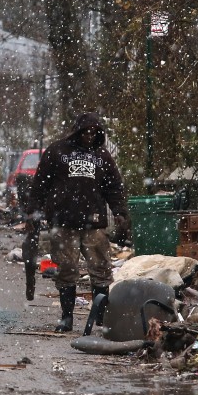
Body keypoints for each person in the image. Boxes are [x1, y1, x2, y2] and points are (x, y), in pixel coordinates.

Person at [25, 112, 130, 332]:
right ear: (77, 132)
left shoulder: (102, 156)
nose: (89, 136)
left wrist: (119, 211)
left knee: (100, 270)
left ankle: (101, 321)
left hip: (94, 223)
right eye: (85, 132)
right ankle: (67, 317)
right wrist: (33, 212)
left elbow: (114, 186)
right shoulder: (57, 151)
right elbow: (40, 184)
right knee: (66, 270)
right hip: (64, 222)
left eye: (94, 132)